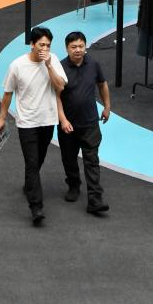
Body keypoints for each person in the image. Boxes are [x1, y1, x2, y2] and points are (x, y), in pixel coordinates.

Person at [0, 26, 70, 226]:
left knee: (38, 160)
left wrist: (49, 66)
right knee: (31, 162)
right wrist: (2, 117)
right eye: (41, 45)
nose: (44, 49)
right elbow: (8, 93)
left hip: (48, 120)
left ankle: (29, 184)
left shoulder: (53, 60)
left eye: (48, 45)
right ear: (32, 44)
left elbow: (60, 86)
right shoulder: (17, 65)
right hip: (27, 122)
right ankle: (36, 207)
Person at [57, 31, 111, 213]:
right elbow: (56, 96)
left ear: (85, 46)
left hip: (90, 123)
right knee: (68, 158)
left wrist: (107, 106)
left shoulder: (94, 65)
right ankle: (73, 185)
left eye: (81, 46)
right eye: (73, 47)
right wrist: (63, 119)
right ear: (67, 48)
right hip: (68, 125)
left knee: (92, 160)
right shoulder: (60, 68)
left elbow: (102, 84)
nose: (78, 50)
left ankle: (95, 199)